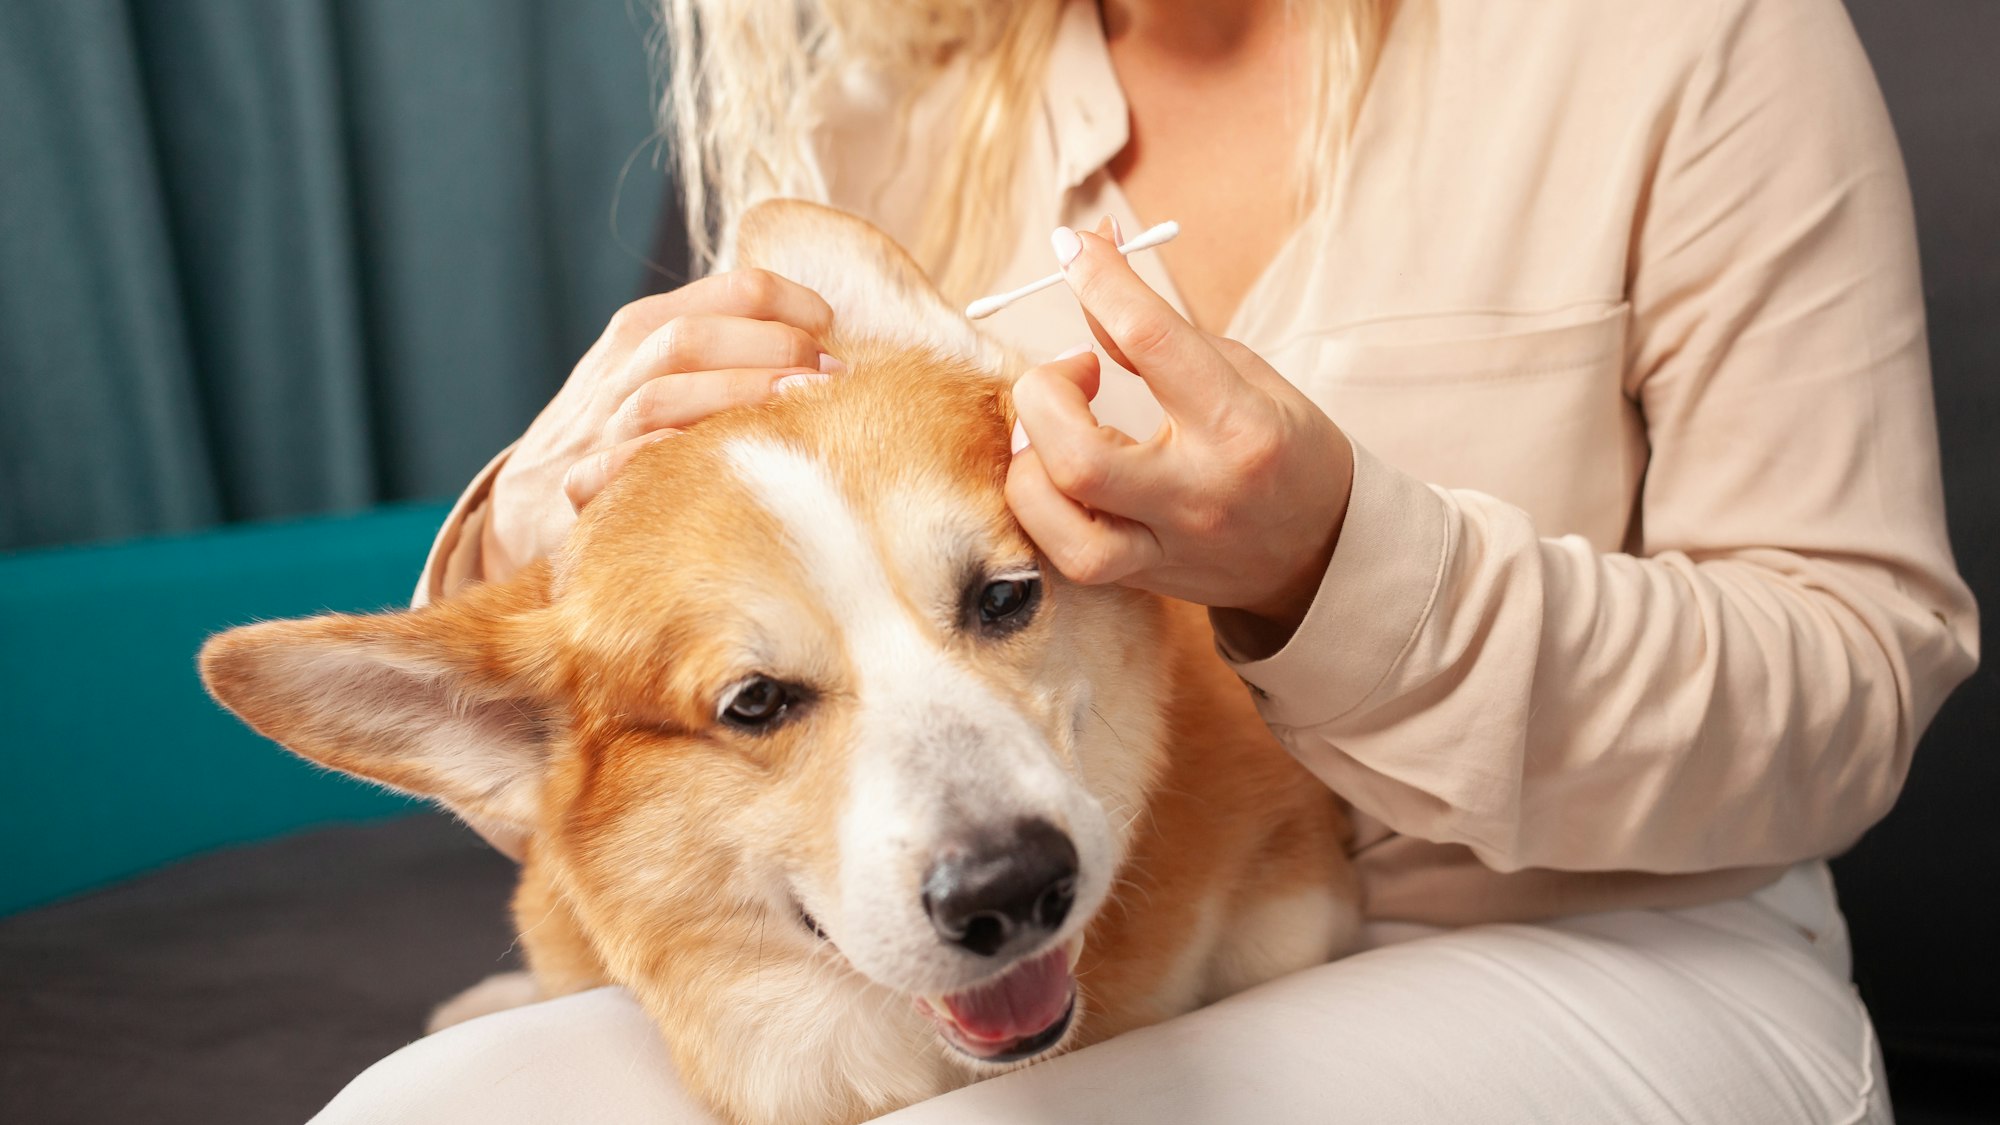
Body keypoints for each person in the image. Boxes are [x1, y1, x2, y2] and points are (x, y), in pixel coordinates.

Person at [318, 0, 1979, 1120]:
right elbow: (665, 757)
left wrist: (1330, 564)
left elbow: (1845, 701)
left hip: (1609, 932)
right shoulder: (878, 113)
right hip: (1056, 961)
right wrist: (538, 528)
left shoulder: (1686, 42)